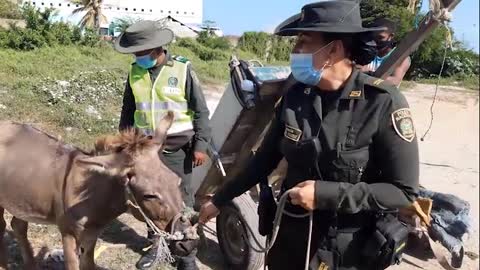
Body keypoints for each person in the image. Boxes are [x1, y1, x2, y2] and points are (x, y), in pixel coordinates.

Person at [199, 2, 419, 270]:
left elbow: (403, 192)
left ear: (334, 49)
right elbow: (262, 162)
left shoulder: (382, 102)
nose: (295, 52)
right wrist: (219, 200)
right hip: (290, 238)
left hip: (346, 251)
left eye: (303, 42)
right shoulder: (296, 97)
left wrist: (327, 194)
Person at [114, 20, 211, 270]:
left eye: (141, 52)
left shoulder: (182, 69)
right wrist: (124, 142)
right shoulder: (135, 70)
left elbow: (200, 111)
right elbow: (128, 109)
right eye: (134, 53)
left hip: (177, 150)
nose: (137, 57)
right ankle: (155, 247)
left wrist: (201, 144)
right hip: (145, 150)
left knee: (181, 203)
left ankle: (186, 256)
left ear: (157, 48)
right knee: (149, 199)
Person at [362, 18, 411, 86]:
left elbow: (395, 80)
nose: (376, 41)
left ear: (391, 36)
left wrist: (368, 74)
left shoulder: (401, 57)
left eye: (380, 37)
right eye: (373, 37)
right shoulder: (368, 52)